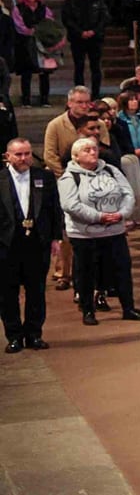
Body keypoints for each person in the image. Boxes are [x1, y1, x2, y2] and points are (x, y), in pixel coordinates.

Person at [62, 136, 140, 325]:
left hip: (114, 231)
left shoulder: (110, 170)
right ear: (76, 156)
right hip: (84, 234)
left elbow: (127, 193)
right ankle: (88, 311)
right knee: (87, 273)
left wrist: (122, 213)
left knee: (122, 269)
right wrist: (98, 217)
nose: (93, 152)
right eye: (87, 150)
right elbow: (70, 204)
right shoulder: (70, 177)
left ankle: (129, 308)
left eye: (94, 149)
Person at [0, 137, 63, 352]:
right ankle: (14, 336)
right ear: (8, 156)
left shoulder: (44, 177)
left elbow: (55, 208)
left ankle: (34, 334)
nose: (24, 158)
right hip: (6, 245)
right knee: (7, 293)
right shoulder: (0, 179)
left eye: (27, 153)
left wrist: (56, 237)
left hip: (38, 242)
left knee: (36, 291)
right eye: (18, 154)